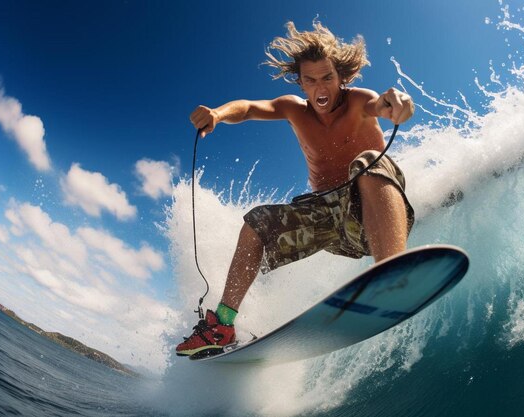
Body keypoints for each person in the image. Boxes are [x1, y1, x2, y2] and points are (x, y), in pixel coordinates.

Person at [176, 21, 415, 357]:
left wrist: (395, 103)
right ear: (301, 82)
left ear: (341, 78)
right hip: (327, 222)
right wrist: (218, 113)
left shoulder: (361, 101)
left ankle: (392, 274)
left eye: (327, 78)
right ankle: (222, 326)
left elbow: (382, 104)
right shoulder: (293, 110)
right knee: (256, 222)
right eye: (311, 79)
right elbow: (249, 108)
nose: (320, 87)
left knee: (368, 160)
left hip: (372, 211)